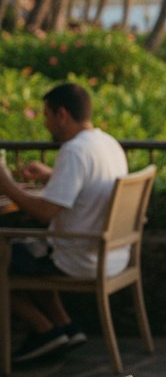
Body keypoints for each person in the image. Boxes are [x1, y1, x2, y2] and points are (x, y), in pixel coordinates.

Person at [0, 83, 125, 362]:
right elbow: (86, 186)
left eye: (46, 116)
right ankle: (65, 326)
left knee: (12, 254)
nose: (45, 124)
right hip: (112, 253)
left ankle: (44, 330)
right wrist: (51, 176)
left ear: (62, 115)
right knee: (29, 251)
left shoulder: (74, 150)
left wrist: (7, 184)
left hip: (79, 257)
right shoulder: (107, 143)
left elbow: (45, 213)